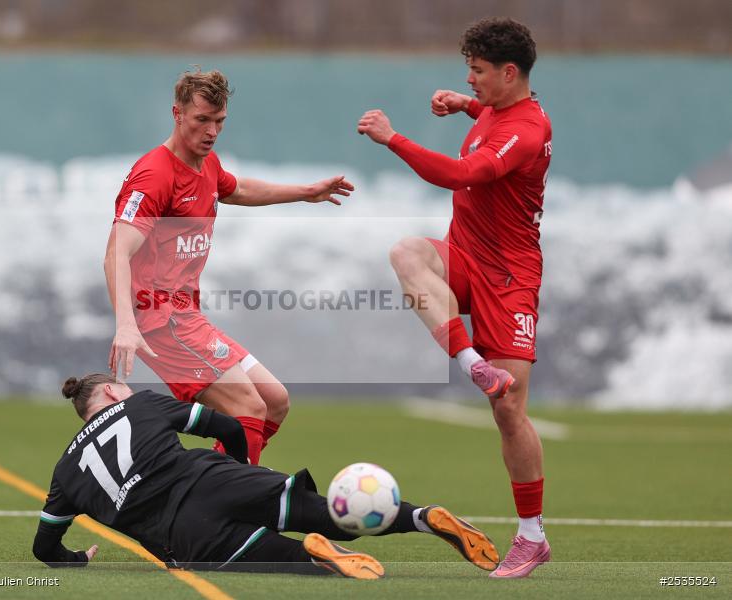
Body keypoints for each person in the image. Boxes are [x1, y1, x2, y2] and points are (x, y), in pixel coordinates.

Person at [357, 18, 552, 578]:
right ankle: (472, 364)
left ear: (509, 73)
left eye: (478, 71)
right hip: (466, 256)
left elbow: (462, 173)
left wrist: (393, 138)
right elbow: (491, 115)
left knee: (510, 412)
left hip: (510, 279)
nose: (470, 77)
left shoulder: (528, 131)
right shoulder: (495, 108)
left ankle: (532, 536)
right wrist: (464, 104)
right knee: (406, 253)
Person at [104, 68, 354, 467]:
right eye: (201, 120)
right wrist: (125, 324)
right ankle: (238, 510)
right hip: (157, 321)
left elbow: (235, 189)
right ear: (177, 114)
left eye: (219, 122)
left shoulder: (207, 163)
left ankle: (210, 489)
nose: (211, 131)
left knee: (273, 401)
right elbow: (116, 251)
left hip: (186, 316)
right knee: (248, 408)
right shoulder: (154, 176)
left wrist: (305, 192)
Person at [32, 374, 501, 578]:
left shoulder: (65, 472)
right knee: (326, 511)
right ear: (114, 391)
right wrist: (240, 473)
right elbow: (228, 426)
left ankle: (315, 556)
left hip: (183, 535)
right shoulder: (141, 403)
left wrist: (76, 559)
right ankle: (422, 516)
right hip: (216, 476)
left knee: (286, 559)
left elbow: (44, 549)